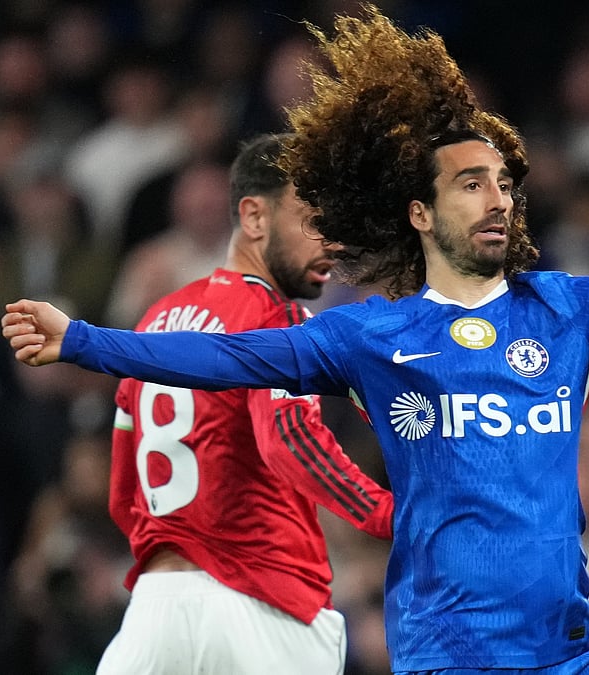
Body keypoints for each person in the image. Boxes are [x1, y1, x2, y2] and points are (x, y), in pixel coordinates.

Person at [2, 7, 589, 673]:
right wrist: (82, 339)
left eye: (504, 181)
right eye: (471, 183)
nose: (497, 198)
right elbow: (226, 361)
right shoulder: (374, 335)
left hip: (571, 642)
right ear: (422, 213)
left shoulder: (569, 307)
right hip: (451, 648)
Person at [78, 132, 395, 673]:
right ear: (253, 217)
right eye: (313, 220)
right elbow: (290, 442)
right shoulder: (275, 319)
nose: (332, 243)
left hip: (154, 615)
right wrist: (398, 515)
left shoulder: (156, 322)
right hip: (262, 607)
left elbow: (122, 490)